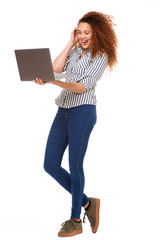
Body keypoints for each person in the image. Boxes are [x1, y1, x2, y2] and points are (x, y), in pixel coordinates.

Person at [33, 11, 118, 237]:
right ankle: (88, 204)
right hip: (64, 110)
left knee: (75, 165)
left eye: (86, 32)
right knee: (50, 164)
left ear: (96, 33)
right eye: (79, 31)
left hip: (83, 111)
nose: (82, 35)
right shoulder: (76, 50)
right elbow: (56, 68)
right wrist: (69, 44)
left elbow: (81, 87)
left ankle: (75, 219)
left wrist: (51, 81)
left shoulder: (100, 56)